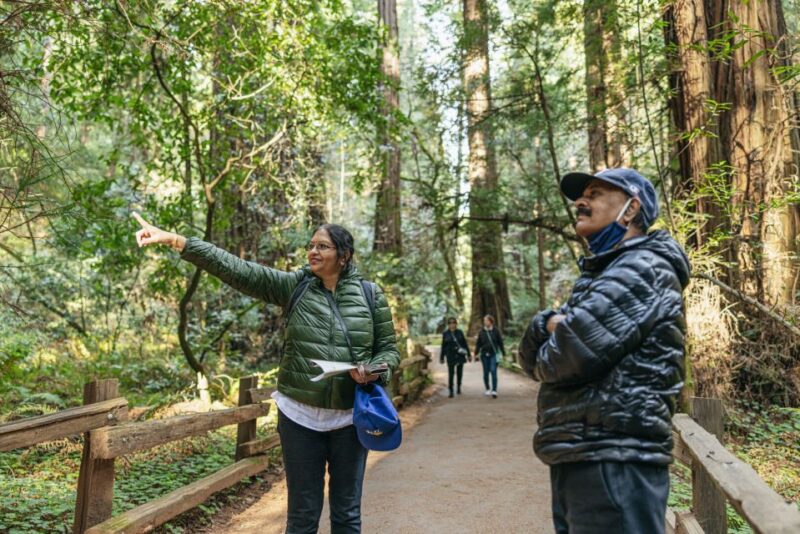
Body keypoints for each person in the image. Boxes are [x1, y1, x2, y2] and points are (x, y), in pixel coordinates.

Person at [133, 214, 400, 534]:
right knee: (302, 515)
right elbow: (236, 268)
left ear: (344, 256)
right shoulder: (295, 286)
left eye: (322, 246)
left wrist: (373, 372)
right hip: (299, 418)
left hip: (350, 418)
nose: (313, 252)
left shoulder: (370, 295)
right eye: (311, 245)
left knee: (347, 514)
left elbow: (388, 351)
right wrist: (177, 241)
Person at [520, 168, 690, 534]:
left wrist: (555, 329)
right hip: (586, 454)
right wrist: (547, 323)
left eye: (595, 193)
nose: (581, 202)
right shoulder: (603, 274)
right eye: (582, 195)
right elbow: (531, 360)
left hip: (616, 458)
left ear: (631, 210)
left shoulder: (643, 268)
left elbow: (564, 355)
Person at [474, 314, 504, 399]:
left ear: (491, 321)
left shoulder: (496, 331)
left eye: (486, 320)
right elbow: (478, 344)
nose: (485, 322)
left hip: (493, 354)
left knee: (493, 371)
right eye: (484, 320)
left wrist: (503, 353)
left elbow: (500, 342)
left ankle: (494, 390)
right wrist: (476, 353)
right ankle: (487, 389)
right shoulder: (482, 331)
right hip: (484, 355)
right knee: (486, 372)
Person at [439, 317, 469, 398]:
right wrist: (442, 357)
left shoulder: (460, 332)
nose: (452, 325)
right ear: (448, 325)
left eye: (453, 323)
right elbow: (443, 346)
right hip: (450, 355)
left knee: (459, 372)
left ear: (456, 324)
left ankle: (459, 386)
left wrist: (468, 354)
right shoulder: (445, 333)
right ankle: (451, 390)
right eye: (450, 323)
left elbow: (465, 344)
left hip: (460, 355)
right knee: (451, 373)